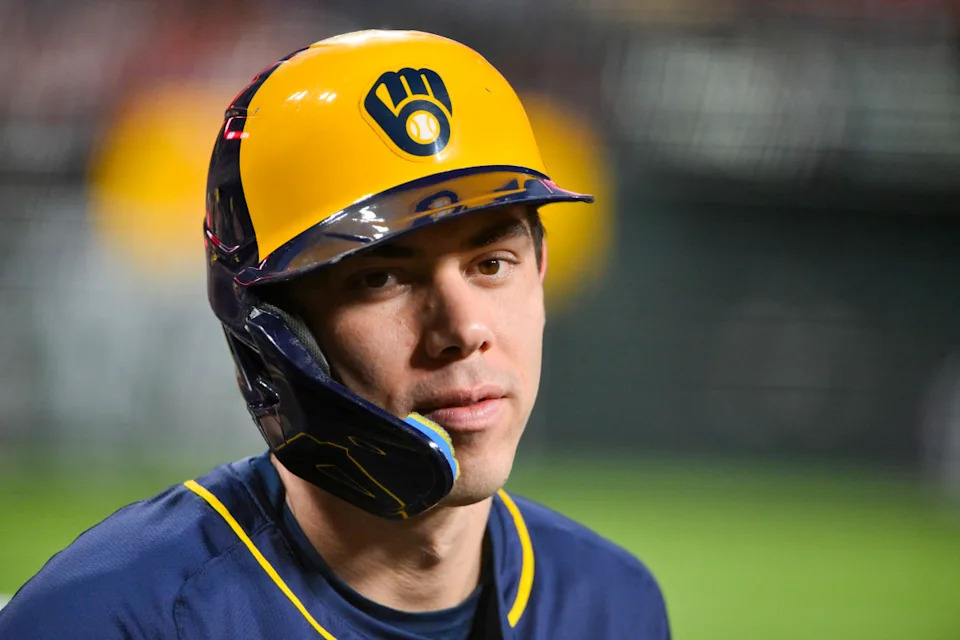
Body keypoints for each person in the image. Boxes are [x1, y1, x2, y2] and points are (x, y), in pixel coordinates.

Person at [0, 30, 669, 639]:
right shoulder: (107, 620)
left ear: (542, 272)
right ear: (272, 330)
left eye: (491, 265)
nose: (464, 330)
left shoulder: (613, 605)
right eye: (382, 280)